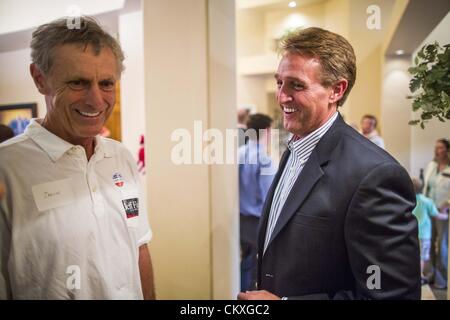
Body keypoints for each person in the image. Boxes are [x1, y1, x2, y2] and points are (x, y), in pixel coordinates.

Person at [238, 27, 420, 300]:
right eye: (279, 83)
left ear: (336, 89)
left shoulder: (376, 175)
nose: (282, 96)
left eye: (296, 85)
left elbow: (392, 295)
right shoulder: (294, 150)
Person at [0, 16, 155, 299]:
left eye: (107, 83)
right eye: (78, 83)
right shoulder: (7, 169)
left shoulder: (120, 156)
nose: (96, 100)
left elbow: (140, 247)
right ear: (39, 79)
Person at [239, 113, 275, 292]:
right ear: (267, 131)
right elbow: (270, 196)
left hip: (238, 219)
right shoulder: (264, 159)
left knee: (242, 264)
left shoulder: (238, 154)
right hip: (256, 222)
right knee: (254, 269)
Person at [423, 138, 450, 289]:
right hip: (429, 211)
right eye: (436, 147)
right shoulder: (431, 165)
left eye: (440, 147)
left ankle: (442, 279)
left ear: (447, 150)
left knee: (443, 246)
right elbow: (426, 186)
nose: (436, 150)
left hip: (443, 213)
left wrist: (448, 204)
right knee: (428, 243)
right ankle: (429, 275)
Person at [411, 177, 447, 284]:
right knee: (423, 257)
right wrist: (446, 214)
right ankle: (419, 277)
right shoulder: (427, 201)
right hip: (424, 235)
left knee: (414, 255)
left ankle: (413, 275)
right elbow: (437, 215)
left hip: (413, 233)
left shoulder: (409, 200)